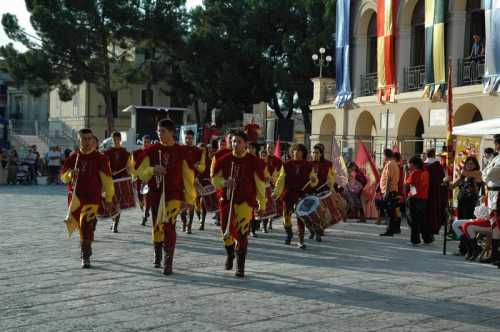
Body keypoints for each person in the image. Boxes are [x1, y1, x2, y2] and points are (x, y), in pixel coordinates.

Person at [136, 119, 196, 275]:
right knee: (157, 226)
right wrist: (153, 169)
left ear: (171, 132)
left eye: (162, 131)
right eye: (158, 131)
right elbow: (141, 173)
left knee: (169, 226)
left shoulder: (181, 151)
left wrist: (190, 199)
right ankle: (158, 255)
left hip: (174, 195)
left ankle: (168, 263)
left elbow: (188, 176)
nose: (159, 134)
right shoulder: (151, 150)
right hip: (155, 195)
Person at [211, 131, 266, 277]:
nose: (236, 144)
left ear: (246, 144)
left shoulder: (253, 161)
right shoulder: (223, 160)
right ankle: (230, 254)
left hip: (246, 202)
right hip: (227, 200)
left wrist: (262, 204)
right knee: (225, 231)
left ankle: (240, 266)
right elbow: (215, 181)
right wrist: (225, 183)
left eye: (239, 141)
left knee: (242, 232)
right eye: (234, 141)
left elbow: (260, 184)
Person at [60, 128, 114, 268]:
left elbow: (107, 180)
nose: (88, 141)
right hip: (76, 197)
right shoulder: (72, 157)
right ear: (79, 140)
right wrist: (71, 174)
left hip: (92, 197)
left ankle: (86, 255)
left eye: (90, 138)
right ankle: (85, 249)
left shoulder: (100, 158)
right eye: (84, 139)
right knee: (81, 226)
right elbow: (63, 178)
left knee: (86, 224)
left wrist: (109, 198)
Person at [273, 144, 318, 248]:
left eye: (299, 151)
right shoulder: (286, 165)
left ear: (303, 153)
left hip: (302, 195)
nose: (296, 152)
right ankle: (289, 234)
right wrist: (276, 191)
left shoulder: (308, 165)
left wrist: (314, 180)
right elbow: (280, 180)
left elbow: (314, 179)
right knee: (286, 217)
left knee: (301, 217)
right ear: (291, 152)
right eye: (294, 150)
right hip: (288, 194)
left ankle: (301, 240)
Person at [103, 132, 134, 233]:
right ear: (111, 140)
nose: (116, 141)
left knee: (118, 203)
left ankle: (115, 223)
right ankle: (113, 221)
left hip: (121, 181)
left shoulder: (126, 153)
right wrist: (109, 172)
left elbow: (129, 168)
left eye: (117, 139)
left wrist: (131, 172)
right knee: (111, 202)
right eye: (114, 139)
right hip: (110, 181)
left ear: (120, 140)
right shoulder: (106, 153)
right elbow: (103, 167)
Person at [180, 129, 206, 234]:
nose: (188, 140)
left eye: (190, 138)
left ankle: (189, 226)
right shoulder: (179, 149)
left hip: (191, 181)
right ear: (184, 138)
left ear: (193, 139)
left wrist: (197, 166)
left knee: (190, 204)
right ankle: (184, 223)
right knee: (182, 206)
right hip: (180, 181)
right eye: (186, 138)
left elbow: (202, 167)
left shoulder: (198, 151)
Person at [309, 143, 335, 241]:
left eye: (317, 153)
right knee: (310, 213)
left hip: (322, 191)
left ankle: (318, 232)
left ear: (321, 154)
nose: (315, 154)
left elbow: (331, 177)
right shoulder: (309, 164)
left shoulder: (328, 164)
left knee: (320, 213)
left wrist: (330, 183)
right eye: (313, 152)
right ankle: (312, 230)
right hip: (311, 191)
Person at [405, 156, 430, 245]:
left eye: (409, 163)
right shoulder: (426, 172)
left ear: (413, 164)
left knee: (413, 220)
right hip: (423, 199)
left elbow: (407, 184)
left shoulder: (415, 173)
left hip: (414, 198)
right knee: (422, 220)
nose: (408, 165)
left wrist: (406, 173)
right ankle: (427, 238)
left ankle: (415, 239)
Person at [424, 149, 447, 241]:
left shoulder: (423, 165)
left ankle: (425, 233)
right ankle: (431, 233)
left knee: (425, 213)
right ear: (434, 155)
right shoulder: (438, 166)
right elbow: (442, 180)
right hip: (436, 194)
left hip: (424, 193)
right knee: (433, 213)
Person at [380, 149, 400, 236]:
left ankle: (390, 230)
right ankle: (392, 229)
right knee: (391, 212)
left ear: (386, 155)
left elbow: (389, 178)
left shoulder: (390, 164)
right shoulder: (393, 163)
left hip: (390, 191)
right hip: (391, 190)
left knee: (389, 212)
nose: (382, 157)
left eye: (383, 155)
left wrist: (386, 193)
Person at [133, 135, 151, 226]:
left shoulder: (152, 152)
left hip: (149, 178)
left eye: (148, 142)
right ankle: (144, 209)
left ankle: (145, 215)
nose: (146, 144)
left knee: (147, 196)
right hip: (139, 177)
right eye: (145, 142)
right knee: (140, 197)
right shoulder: (137, 152)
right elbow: (133, 165)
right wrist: (134, 176)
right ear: (142, 142)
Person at [265, 142, 283, 230]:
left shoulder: (278, 161)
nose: (270, 150)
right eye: (268, 148)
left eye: (272, 148)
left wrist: (275, 180)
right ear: (266, 149)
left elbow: (281, 173)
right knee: (265, 203)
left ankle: (270, 222)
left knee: (273, 203)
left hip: (274, 184)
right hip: (265, 184)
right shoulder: (263, 159)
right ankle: (264, 221)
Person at [195, 143, 211, 230]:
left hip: (205, 183)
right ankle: (199, 218)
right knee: (196, 203)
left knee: (203, 203)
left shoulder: (209, 159)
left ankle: (202, 222)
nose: (201, 152)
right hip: (195, 182)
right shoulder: (195, 159)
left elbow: (211, 172)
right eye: (199, 150)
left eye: (203, 150)